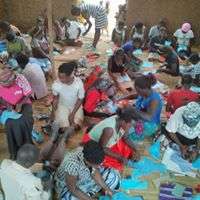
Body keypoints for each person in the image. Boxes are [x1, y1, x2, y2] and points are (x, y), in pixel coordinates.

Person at [55, 140, 120, 200]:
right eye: (96, 164)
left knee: (113, 176)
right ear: (87, 161)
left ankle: (90, 193)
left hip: (84, 178)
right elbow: (73, 189)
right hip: (69, 186)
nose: (99, 166)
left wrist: (107, 189)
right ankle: (90, 194)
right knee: (69, 198)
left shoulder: (89, 155)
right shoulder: (72, 164)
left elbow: (94, 171)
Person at [0, 67, 33, 159]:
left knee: (25, 120)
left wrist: (20, 104)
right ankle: (14, 151)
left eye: (6, 84)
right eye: (2, 84)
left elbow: (28, 93)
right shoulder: (1, 82)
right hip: (5, 107)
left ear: (13, 80)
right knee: (10, 123)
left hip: (23, 102)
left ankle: (27, 146)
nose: (3, 85)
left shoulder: (20, 78)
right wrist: (6, 104)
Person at [128, 74, 163, 141]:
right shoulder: (143, 93)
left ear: (146, 88)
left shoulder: (154, 99)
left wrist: (133, 110)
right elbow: (134, 95)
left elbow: (149, 117)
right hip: (139, 116)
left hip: (150, 123)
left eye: (138, 91)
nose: (137, 92)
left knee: (129, 137)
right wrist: (122, 99)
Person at [51, 61, 84, 131]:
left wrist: (72, 114)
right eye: (59, 76)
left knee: (76, 126)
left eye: (63, 78)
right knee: (63, 128)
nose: (60, 79)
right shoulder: (56, 84)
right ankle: (64, 129)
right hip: (62, 106)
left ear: (71, 75)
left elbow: (80, 99)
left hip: (75, 106)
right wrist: (53, 112)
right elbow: (55, 99)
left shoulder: (78, 83)